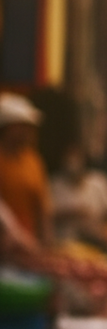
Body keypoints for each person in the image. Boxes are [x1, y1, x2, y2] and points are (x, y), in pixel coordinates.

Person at [0, 92, 52, 245]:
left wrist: (46, 243)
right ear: (8, 127)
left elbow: (43, 207)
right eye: (24, 126)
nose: (29, 132)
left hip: (28, 245)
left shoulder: (33, 160)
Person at [50, 142, 107, 245]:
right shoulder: (54, 184)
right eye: (69, 157)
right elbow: (47, 216)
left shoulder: (99, 182)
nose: (73, 162)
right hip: (64, 243)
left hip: (97, 243)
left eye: (77, 157)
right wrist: (72, 213)